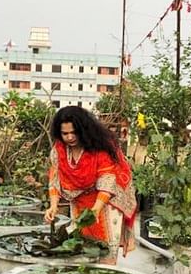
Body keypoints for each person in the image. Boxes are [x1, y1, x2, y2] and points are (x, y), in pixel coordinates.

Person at [44, 106, 137, 264]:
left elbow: (107, 180)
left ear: (83, 130)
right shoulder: (59, 149)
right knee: (82, 245)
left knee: (105, 249)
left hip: (107, 200)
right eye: (65, 133)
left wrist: (95, 209)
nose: (69, 137)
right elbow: (55, 178)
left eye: (74, 132)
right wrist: (53, 206)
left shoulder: (100, 147)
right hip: (80, 200)